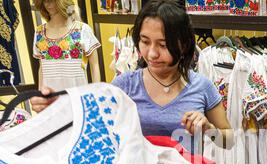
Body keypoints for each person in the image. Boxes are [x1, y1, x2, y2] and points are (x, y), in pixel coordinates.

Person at [31, 0, 233, 153]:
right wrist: (57, 107)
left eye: (163, 45)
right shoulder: (124, 85)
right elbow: (89, 121)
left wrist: (209, 128)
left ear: (184, 43)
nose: (152, 54)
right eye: (145, 42)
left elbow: (229, 140)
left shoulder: (202, 86)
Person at [33, 0, 101, 91]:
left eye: (52, 1)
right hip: (51, 98)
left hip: (77, 95)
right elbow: (42, 68)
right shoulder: (39, 32)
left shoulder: (82, 29)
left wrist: (97, 91)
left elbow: (95, 65)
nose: (48, 4)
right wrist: (40, 94)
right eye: (45, 1)